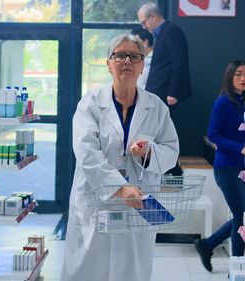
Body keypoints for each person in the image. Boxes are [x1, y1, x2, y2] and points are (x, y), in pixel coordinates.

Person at [60, 34, 179, 281]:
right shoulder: (90, 104)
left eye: (134, 57)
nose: (127, 61)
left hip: (137, 207)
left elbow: (171, 150)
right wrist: (121, 188)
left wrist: (148, 153)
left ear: (142, 65)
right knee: (89, 270)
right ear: (108, 63)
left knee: (131, 270)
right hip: (95, 202)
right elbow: (86, 153)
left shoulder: (156, 107)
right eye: (120, 55)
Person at [194, 60, 245, 272]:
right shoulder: (224, 102)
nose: (243, 78)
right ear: (230, 77)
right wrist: (240, 148)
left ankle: (207, 244)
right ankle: (237, 268)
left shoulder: (244, 103)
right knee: (242, 218)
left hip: (243, 169)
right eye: (238, 74)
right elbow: (213, 134)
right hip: (227, 168)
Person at [137, 3, 192, 107]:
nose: (144, 27)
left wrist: (173, 92)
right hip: (159, 91)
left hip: (165, 92)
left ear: (153, 16)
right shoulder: (161, 32)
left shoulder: (171, 31)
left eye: (144, 22)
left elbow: (179, 63)